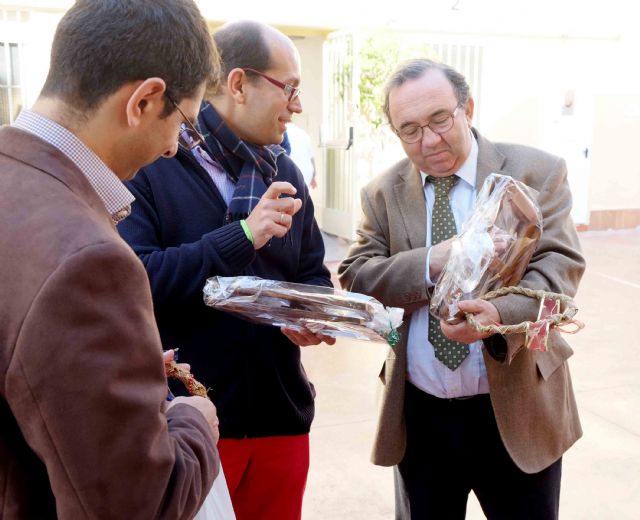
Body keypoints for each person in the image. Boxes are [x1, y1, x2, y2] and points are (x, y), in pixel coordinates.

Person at [0, 1, 222, 518]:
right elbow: (139, 504)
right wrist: (193, 422)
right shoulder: (89, 261)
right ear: (144, 101)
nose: (174, 149)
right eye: (184, 124)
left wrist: (125, 368)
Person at [338, 59, 585, 520]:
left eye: (439, 120)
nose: (428, 141)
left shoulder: (537, 171)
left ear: (467, 108)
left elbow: (561, 268)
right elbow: (356, 275)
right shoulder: (382, 193)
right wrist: (438, 258)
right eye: (409, 129)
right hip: (422, 417)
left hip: (519, 409)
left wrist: (497, 316)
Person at [118, 20, 334, 520]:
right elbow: (139, 280)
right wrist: (242, 237)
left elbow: (312, 273)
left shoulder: (284, 170)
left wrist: (312, 313)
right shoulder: (153, 164)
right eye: (291, 88)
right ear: (238, 84)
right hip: (193, 424)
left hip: (280, 417)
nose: (297, 106)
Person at [286, 121, 318, 189]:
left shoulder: (281, 133)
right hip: (306, 172)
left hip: (291, 173)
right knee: (303, 196)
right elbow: (311, 158)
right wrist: (313, 176)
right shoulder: (304, 133)